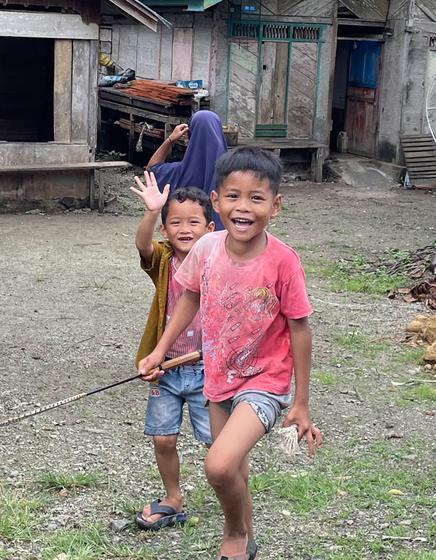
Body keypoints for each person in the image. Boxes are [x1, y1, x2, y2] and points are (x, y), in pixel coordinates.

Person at [137, 147, 322, 560]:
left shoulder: (283, 261)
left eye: (256, 198)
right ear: (216, 201)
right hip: (218, 376)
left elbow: (299, 328)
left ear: (275, 206)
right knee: (233, 467)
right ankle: (246, 539)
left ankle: (235, 533)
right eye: (232, 196)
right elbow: (189, 298)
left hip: (265, 381)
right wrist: (160, 351)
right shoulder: (206, 249)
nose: (243, 207)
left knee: (218, 465)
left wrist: (302, 402)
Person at [128, 171, 217, 530]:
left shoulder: (217, 261)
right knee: (163, 437)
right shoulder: (163, 260)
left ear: (209, 229)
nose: (185, 229)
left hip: (206, 369)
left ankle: (233, 495)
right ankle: (173, 497)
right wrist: (152, 212)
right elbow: (142, 246)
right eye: (175, 222)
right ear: (166, 231)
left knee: (217, 443)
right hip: (164, 368)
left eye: (194, 222)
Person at [148, 110, 228, 229]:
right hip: (225, 243)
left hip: (187, 243)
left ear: (191, 135)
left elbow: (151, 169)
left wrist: (170, 139)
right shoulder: (234, 173)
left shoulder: (179, 172)